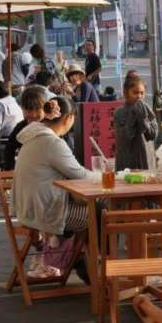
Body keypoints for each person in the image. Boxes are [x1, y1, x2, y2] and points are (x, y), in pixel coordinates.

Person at [13, 96, 99, 244]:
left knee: (93, 205)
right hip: (46, 212)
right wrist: (108, 176)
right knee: (101, 211)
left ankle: (80, 259)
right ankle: (99, 260)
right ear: (68, 118)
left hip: (28, 208)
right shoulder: (52, 142)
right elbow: (80, 175)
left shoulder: (33, 136)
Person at [114, 74, 158, 171]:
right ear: (126, 93)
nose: (139, 96)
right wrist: (133, 116)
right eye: (135, 93)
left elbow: (152, 135)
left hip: (146, 159)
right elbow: (124, 138)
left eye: (142, 93)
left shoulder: (148, 111)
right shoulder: (119, 113)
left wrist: (143, 118)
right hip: (127, 162)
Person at [3, 85, 46, 171]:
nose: (33, 114)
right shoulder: (20, 127)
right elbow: (9, 150)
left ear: (45, 108)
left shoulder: (52, 126)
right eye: (29, 110)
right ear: (22, 109)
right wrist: (10, 169)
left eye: (37, 109)